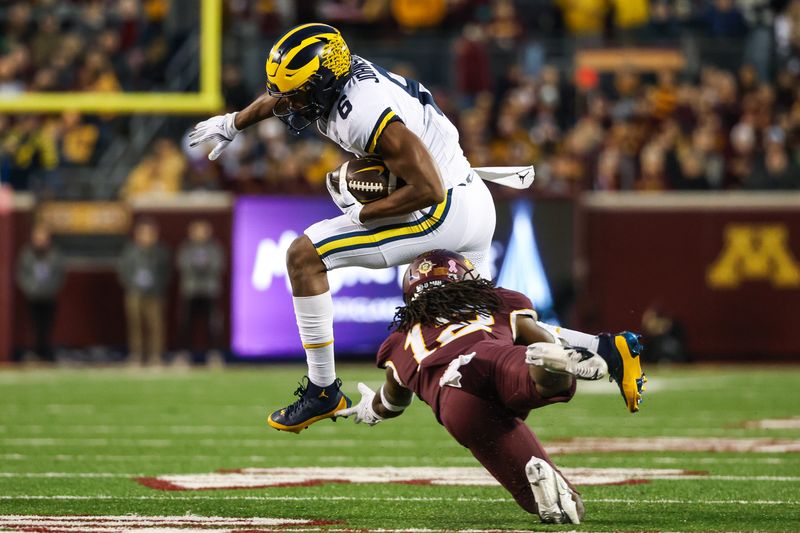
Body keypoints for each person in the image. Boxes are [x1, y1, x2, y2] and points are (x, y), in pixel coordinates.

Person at [189, 23, 643, 432]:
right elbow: (284, 95)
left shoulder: (364, 112)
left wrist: (361, 212)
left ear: (326, 81)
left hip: (441, 209)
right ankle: (605, 348)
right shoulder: (335, 80)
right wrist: (233, 122)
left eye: (299, 94)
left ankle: (322, 388)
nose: (289, 106)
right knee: (483, 326)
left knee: (304, 257)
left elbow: (426, 189)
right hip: (472, 202)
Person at [336, 250, 647, 525]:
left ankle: (551, 496)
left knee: (569, 510)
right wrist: (556, 344)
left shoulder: (399, 339)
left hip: (455, 399)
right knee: (544, 373)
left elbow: (392, 402)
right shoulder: (494, 301)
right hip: (491, 359)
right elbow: (532, 331)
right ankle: (550, 362)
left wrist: (371, 409)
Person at [118, 219, 171, 365]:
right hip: (134, 293)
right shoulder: (130, 251)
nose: (146, 236)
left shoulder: (161, 252)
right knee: (135, 325)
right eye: (143, 233)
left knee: (156, 326)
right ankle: (136, 354)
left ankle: (156, 355)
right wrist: (132, 285)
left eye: (149, 233)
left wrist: (157, 287)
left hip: (155, 294)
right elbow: (124, 271)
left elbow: (165, 272)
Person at [176, 220, 225, 365]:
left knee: (213, 325)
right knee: (186, 324)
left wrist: (203, 269)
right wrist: (198, 269)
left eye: (202, 230)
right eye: (196, 230)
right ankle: (184, 355)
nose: (199, 234)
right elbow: (182, 265)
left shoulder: (214, 248)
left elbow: (218, 265)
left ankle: (214, 355)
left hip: (210, 291)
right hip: (190, 290)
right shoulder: (186, 248)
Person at [15, 224, 66, 363]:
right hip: (33, 296)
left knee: (47, 326)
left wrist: (51, 289)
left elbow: (59, 275)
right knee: (35, 326)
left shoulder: (54, 254)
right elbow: (21, 274)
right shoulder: (27, 254)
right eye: (38, 237)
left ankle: (46, 353)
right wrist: (30, 289)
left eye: (43, 237)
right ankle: (36, 353)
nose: (40, 240)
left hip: (49, 296)